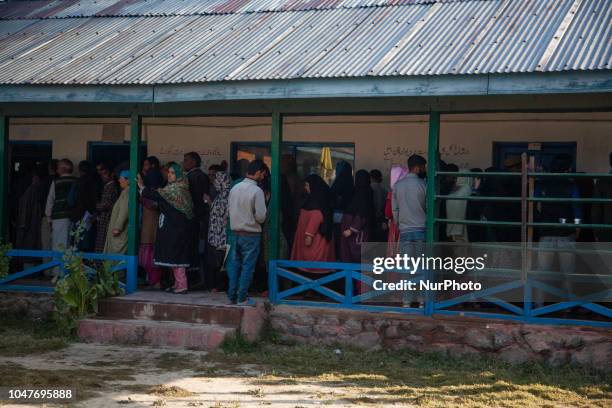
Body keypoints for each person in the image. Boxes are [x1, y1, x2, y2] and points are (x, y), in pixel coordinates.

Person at [137, 163, 194, 294]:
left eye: (173, 173)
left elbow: (157, 195)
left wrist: (142, 188)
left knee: (177, 257)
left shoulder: (177, 190)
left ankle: (182, 285)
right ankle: (177, 283)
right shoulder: (171, 188)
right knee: (173, 257)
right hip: (173, 228)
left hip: (178, 229)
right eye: (168, 172)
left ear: (179, 176)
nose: (169, 175)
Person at [534, 154, 581, 307]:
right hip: (565, 234)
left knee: (542, 272)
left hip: (546, 232)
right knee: (568, 273)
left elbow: (535, 207)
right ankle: (567, 306)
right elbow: (577, 211)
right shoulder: (571, 186)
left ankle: (539, 305)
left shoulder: (542, 185)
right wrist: (577, 229)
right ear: (567, 169)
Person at [227, 160, 268, 304]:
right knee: (247, 267)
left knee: (235, 265)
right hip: (251, 234)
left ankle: (232, 295)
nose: (263, 177)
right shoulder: (257, 191)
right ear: (257, 173)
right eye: (262, 174)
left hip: (235, 233)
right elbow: (261, 217)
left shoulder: (235, 188)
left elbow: (229, 211)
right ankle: (242, 297)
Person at [392, 154, 427, 307]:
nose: (425, 170)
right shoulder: (424, 185)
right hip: (421, 229)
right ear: (417, 167)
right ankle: (421, 300)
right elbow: (429, 208)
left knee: (407, 268)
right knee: (421, 267)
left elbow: (395, 210)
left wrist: (400, 224)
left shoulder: (398, 186)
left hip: (405, 231)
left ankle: (406, 301)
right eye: (424, 167)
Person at [290, 174, 335, 266]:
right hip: (307, 240)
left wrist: (309, 235)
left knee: (312, 265)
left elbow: (316, 217)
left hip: (314, 243)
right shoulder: (311, 199)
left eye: (307, 185)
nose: (306, 188)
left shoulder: (317, 203)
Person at [183, 152, 211, 287]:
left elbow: (198, 201)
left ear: (194, 162)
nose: (184, 163)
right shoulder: (197, 176)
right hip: (196, 219)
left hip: (195, 220)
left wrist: (193, 216)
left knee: (195, 250)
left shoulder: (196, 177)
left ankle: (196, 279)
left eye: (186, 160)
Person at [339, 169, 374, 263]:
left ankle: (357, 278)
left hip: (357, 233)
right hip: (351, 231)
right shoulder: (360, 191)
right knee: (349, 254)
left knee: (357, 256)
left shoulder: (364, 193)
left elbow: (363, 213)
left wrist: (352, 229)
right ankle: (351, 277)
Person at [140, 156, 163, 288]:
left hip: (151, 228)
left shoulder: (152, 192)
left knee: (150, 256)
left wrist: (143, 195)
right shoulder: (159, 189)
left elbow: (154, 205)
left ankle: (156, 281)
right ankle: (154, 281)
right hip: (151, 227)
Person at [45, 159, 77, 254]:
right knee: (70, 246)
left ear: (63, 169)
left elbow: (50, 201)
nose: (57, 169)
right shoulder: (76, 181)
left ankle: (58, 269)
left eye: (58, 167)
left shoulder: (56, 182)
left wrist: (49, 218)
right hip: (74, 218)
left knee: (58, 246)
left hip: (59, 218)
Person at [207, 170, 232, 292]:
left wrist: (208, 201)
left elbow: (222, 214)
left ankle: (220, 286)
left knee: (220, 263)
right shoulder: (222, 194)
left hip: (220, 236)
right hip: (217, 235)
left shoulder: (225, 196)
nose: (215, 182)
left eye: (217, 179)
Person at [70, 161, 98, 251]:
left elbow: (70, 200)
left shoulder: (76, 183)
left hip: (77, 217)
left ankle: (77, 265)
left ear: (79, 170)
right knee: (88, 246)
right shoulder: (94, 183)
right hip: (90, 217)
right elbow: (96, 201)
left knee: (76, 246)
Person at [15, 167, 44, 251]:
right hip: (31, 224)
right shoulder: (31, 190)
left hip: (30, 225)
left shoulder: (32, 190)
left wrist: (23, 224)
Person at [104, 170, 130, 255]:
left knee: (116, 262)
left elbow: (124, 211)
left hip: (120, 233)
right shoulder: (125, 192)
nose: (119, 180)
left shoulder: (127, 193)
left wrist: (117, 227)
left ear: (128, 180)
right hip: (119, 233)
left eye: (121, 178)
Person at [330, 161, 354, 253]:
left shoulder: (337, 184)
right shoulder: (351, 184)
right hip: (348, 217)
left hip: (336, 216)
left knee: (336, 239)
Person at [94, 166, 119, 253]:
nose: (102, 176)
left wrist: (96, 206)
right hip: (105, 217)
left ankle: (100, 264)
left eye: (105, 174)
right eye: (102, 174)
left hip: (106, 218)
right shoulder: (108, 186)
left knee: (103, 242)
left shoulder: (110, 187)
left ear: (112, 174)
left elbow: (106, 205)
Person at [385, 165, 408, 255]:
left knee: (395, 248)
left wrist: (388, 219)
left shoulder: (392, 192)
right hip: (409, 223)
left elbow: (388, 211)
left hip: (396, 223)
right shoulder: (408, 190)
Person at [593, 152, 612, 242]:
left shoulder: (602, 181)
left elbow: (596, 209)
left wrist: (597, 232)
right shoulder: (602, 181)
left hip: (606, 229)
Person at [370, 169, 388, 242]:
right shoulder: (385, 191)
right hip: (381, 220)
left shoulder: (369, 189)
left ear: (371, 178)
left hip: (371, 219)